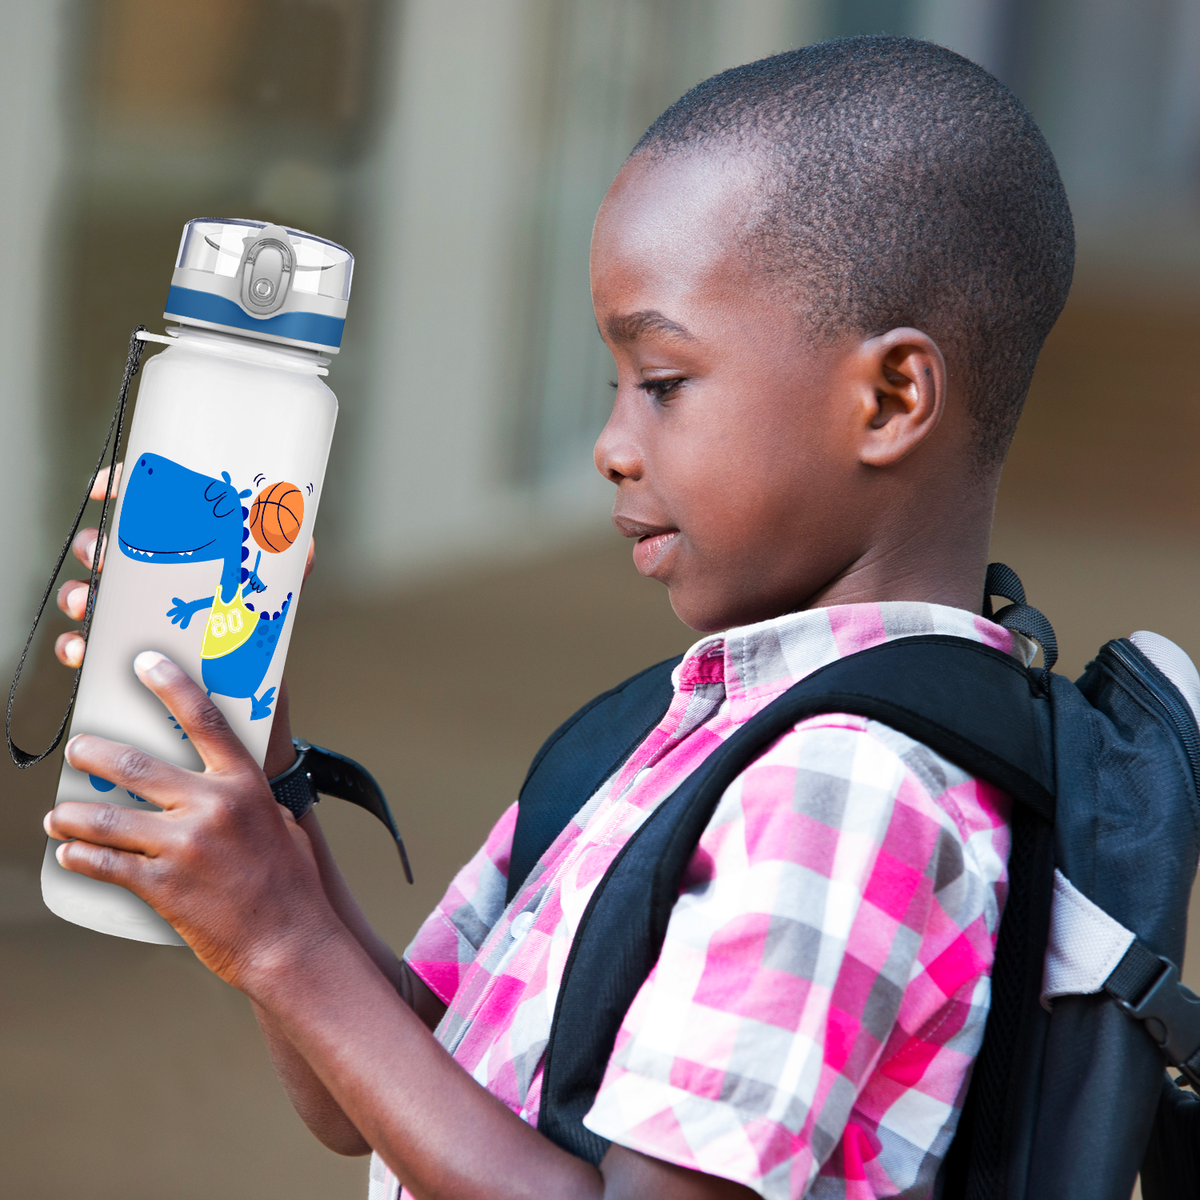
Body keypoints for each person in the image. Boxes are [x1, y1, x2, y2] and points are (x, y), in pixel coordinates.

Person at [46, 36, 1074, 1200]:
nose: (611, 446)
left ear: (889, 398)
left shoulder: (845, 789)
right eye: (611, 386)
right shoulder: (696, 722)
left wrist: (287, 941)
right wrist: (264, 763)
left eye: (665, 383)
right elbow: (373, 1093)